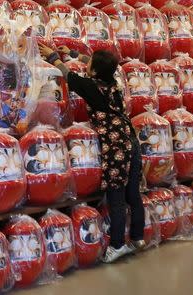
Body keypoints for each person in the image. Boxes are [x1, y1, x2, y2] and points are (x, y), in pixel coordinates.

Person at [39, 43, 145, 263]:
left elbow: (66, 73)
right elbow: (93, 62)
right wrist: (73, 53)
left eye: (91, 64)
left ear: (95, 72)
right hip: (131, 140)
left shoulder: (91, 87)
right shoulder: (113, 81)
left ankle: (117, 245)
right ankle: (137, 236)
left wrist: (54, 56)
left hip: (116, 147)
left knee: (116, 197)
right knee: (133, 193)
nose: (87, 64)